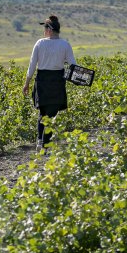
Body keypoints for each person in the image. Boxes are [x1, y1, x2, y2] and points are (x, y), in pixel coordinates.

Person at [22, 15, 76, 151]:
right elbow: (73, 65)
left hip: (42, 80)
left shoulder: (40, 43)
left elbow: (32, 66)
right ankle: (44, 144)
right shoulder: (65, 44)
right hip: (57, 81)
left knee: (43, 112)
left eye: (45, 27)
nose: (44, 30)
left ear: (50, 29)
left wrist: (27, 83)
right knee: (51, 114)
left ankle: (41, 141)